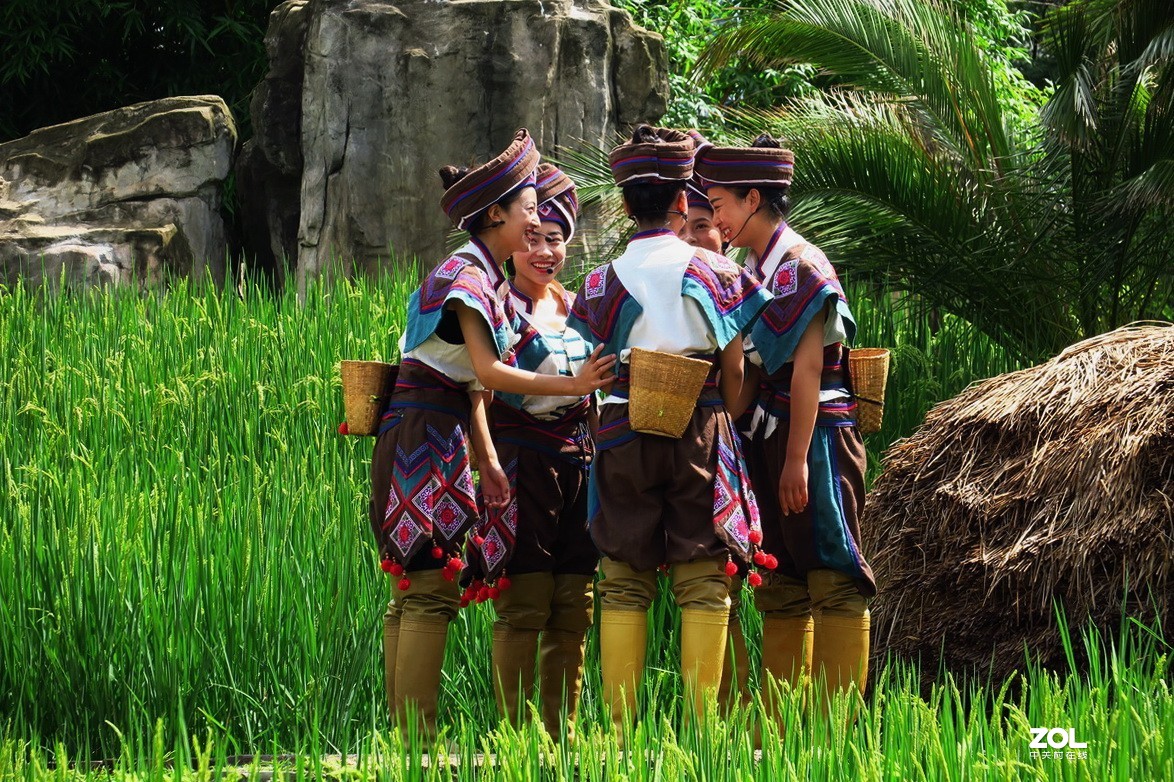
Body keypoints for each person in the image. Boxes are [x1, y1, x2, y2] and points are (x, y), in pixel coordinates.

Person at [371, 130, 615, 740]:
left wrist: (483, 455)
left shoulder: (478, 274)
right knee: (428, 587)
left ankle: (409, 742)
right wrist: (575, 383)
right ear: (496, 214)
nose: (536, 222)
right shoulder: (469, 277)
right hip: (427, 430)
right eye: (529, 208)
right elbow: (487, 372)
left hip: (431, 426)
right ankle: (417, 744)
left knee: (417, 586)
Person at [567, 125, 771, 742]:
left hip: (623, 428)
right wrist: (723, 414)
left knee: (624, 581)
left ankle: (621, 740)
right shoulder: (716, 272)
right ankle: (703, 739)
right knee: (704, 578)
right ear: (683, 200)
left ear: (626, 203)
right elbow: (734, 370)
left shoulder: (599, 282)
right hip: (700, 426)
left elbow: (597, 357)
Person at [695, 135, 875, 718]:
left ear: (753, 199)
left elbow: (808, 370)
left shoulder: (802, 266)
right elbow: (749, 373)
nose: (717, 218)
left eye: (719, 205)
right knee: (782, 582)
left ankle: (833, 733)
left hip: (815, 436)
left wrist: (796, 459)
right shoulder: (753, 268)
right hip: (769, 434)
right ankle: (782, 733)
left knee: (832, 575)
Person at [467, 163, 597, 742]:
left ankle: (560, 735)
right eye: (535, 238)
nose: (545, 252)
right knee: (524, 599)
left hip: (579, 463)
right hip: (521, 461)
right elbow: (478, 389)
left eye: (556, 239)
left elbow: (597, 391)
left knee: (575, 601)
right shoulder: (496, 305)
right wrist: (488, 463)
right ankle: (517, 739)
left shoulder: (577, 308)